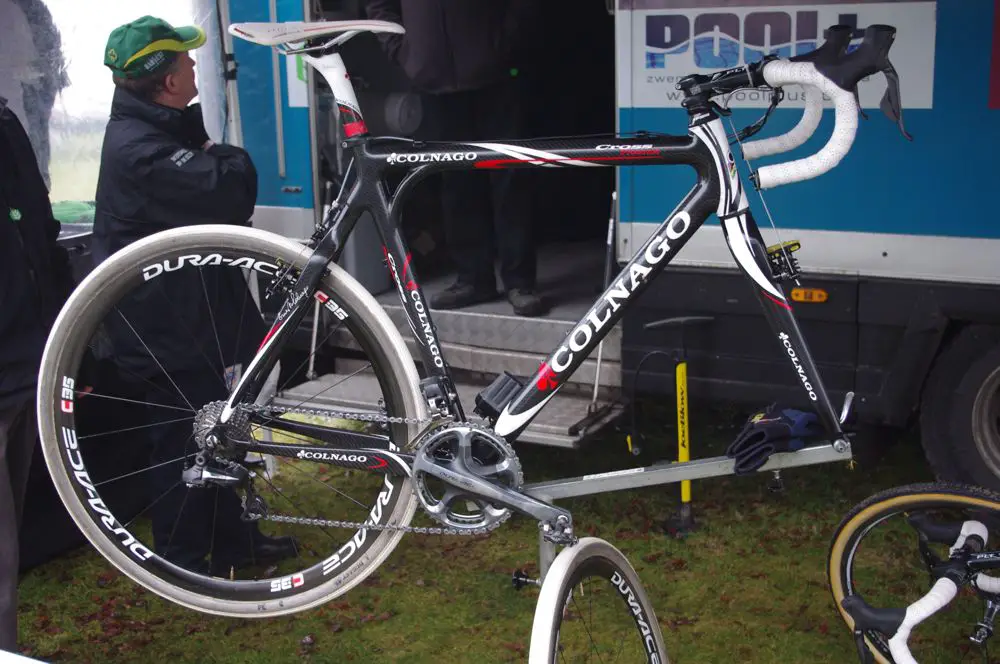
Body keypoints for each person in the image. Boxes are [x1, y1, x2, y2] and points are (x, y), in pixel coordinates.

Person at [93, 15, 296, 575]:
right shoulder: (143, 149)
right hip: (162, 328)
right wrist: (217, 151)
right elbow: (232, 189)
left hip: (190, 314)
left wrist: (208, 146)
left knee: (219, 428)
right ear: (165, 79)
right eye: (182, 58)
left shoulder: (161, 126)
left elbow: (220, 177)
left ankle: (236, 544)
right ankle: (183, 563)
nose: (192, 63)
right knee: (182, 445)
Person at [364, 0, 549, 317]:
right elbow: (379, 5)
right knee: (455, 183)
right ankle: (473, 279)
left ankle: (520, 282)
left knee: (510, 178)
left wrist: (504, 44)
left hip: (497, 75)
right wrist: (404, 53)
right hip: (434, 81)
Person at [0, 98, 76, 652]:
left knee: (11, 535)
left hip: (26, 358)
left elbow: (39, 231)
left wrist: (61, 341)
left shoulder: (6, 121)